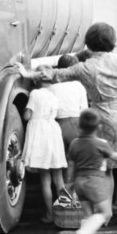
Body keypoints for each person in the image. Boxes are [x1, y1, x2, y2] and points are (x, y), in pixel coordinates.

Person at [21, 22, 117, 221]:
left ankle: (105, 213)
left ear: (89, 44)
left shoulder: (85, 67)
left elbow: (54, 74)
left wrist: (28, 74)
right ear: (113, 42)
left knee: (107, 169)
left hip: (102, 118)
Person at [66, 108, 117, 234]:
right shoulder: (101, 143)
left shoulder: (74, 143)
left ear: (79, 125)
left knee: (88, 215)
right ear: (99, 127)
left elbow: (71, 165)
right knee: (106, 213)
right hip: (95, 181)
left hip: (79, 182)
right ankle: (85, 233)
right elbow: (115, 157)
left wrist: (69, 183)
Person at [21, 77, 67, 224]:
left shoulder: (35, 93)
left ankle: (50, 214)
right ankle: (65, 213)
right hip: (53, 131)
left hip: (40, 133)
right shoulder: (54, 95)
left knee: (45, 178)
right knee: (59, 178)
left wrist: (24, 110)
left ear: (36, 82)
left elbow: (27, 116)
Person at [50, 54, 88, 153]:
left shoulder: (52, 88)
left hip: (58, 124)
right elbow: (84, 109)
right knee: (78, 155)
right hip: (77, 123)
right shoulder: (79, 85)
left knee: (60, 156)